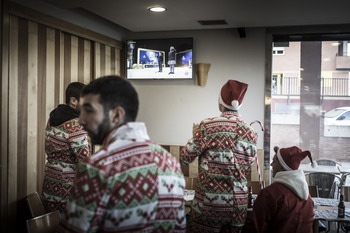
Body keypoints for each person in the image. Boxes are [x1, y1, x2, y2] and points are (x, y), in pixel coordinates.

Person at [58, 75, 186, 233]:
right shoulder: (170, 162)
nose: (81, 120)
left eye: (89, 110)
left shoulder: (97, 167)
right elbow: (179, 227)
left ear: (117, 115)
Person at [180, 80, 259, 233]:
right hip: (238, 205)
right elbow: (246, 170)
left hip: (209, 204)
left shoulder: (207, 126)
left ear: (220, 101)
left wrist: (194, 135)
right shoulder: (251, 133)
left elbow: (185, 157)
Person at [42, 82, 91, 213]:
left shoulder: (53, 118)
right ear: (73, 101)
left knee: (52, 224)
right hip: (67, 187)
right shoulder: (75, 125)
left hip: (50, 180)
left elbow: (48, 148)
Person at [251, 146, 315, 233]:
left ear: (282, 166)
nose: (271, 165)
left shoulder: (269, 194)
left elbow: (256, 228)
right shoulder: (307, 197)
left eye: (274, 161)